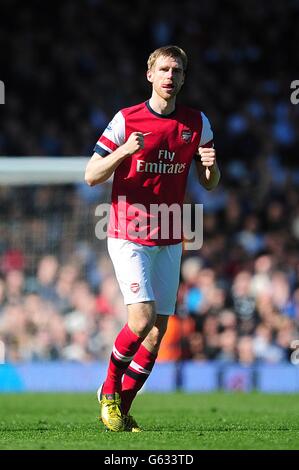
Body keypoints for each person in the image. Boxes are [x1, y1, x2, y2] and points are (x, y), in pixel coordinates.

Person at [85, 45, 220, 432]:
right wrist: (124, 151)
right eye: (163, 69)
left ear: (183, 78)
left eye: (176, 71)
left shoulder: (197, 123)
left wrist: (210, 169)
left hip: (171, 235)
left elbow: (210, 185)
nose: (169, 76)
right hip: (129, 231)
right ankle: (109, 392)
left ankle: (122, 411)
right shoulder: (126, 120)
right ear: (150, 75)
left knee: (157, 333)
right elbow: (91, 174)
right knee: (141, 318)